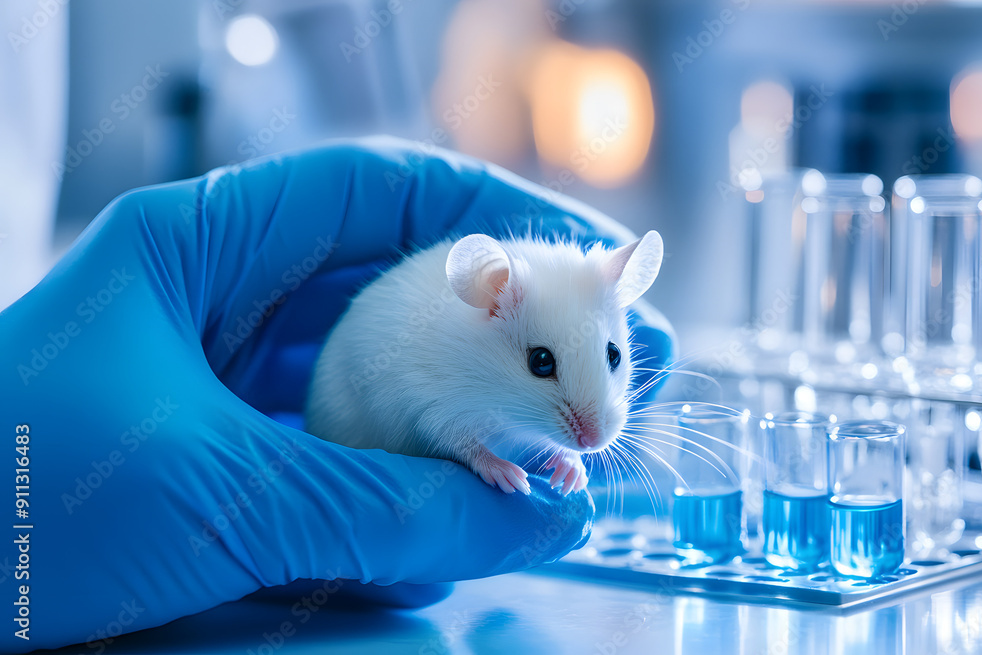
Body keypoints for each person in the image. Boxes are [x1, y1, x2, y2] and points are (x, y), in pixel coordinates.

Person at [0, 138, 674, 652]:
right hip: (353, 421)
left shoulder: (574, 310)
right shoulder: (470, 322)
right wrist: (479, 454)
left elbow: (549, 421)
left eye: (613, 358)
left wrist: (548, 454)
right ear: (493, 298)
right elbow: (424, 401)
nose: (595, 419)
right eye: (543, 362)